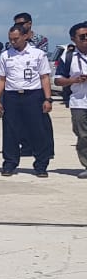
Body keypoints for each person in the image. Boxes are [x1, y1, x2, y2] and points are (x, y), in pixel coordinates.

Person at [0, 23, 54, 177]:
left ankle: (41, 165)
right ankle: (10, 163)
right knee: (10, 131)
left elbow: (44, 77)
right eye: (10, 39)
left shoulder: (38, 54)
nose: (13, 42)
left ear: (25, 36)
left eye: (16, 39)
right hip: (12, 95)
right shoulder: (5, 56)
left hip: (33, 95)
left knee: (38, 130)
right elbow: (1, 78)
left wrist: (48, 99)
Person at [53, 21, 87, 179]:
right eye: (82, 36)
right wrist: (73, 80)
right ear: (74, 39)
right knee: (82, 135)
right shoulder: (68, 57)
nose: (86, 39)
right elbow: (58, 80)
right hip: (79, 101)